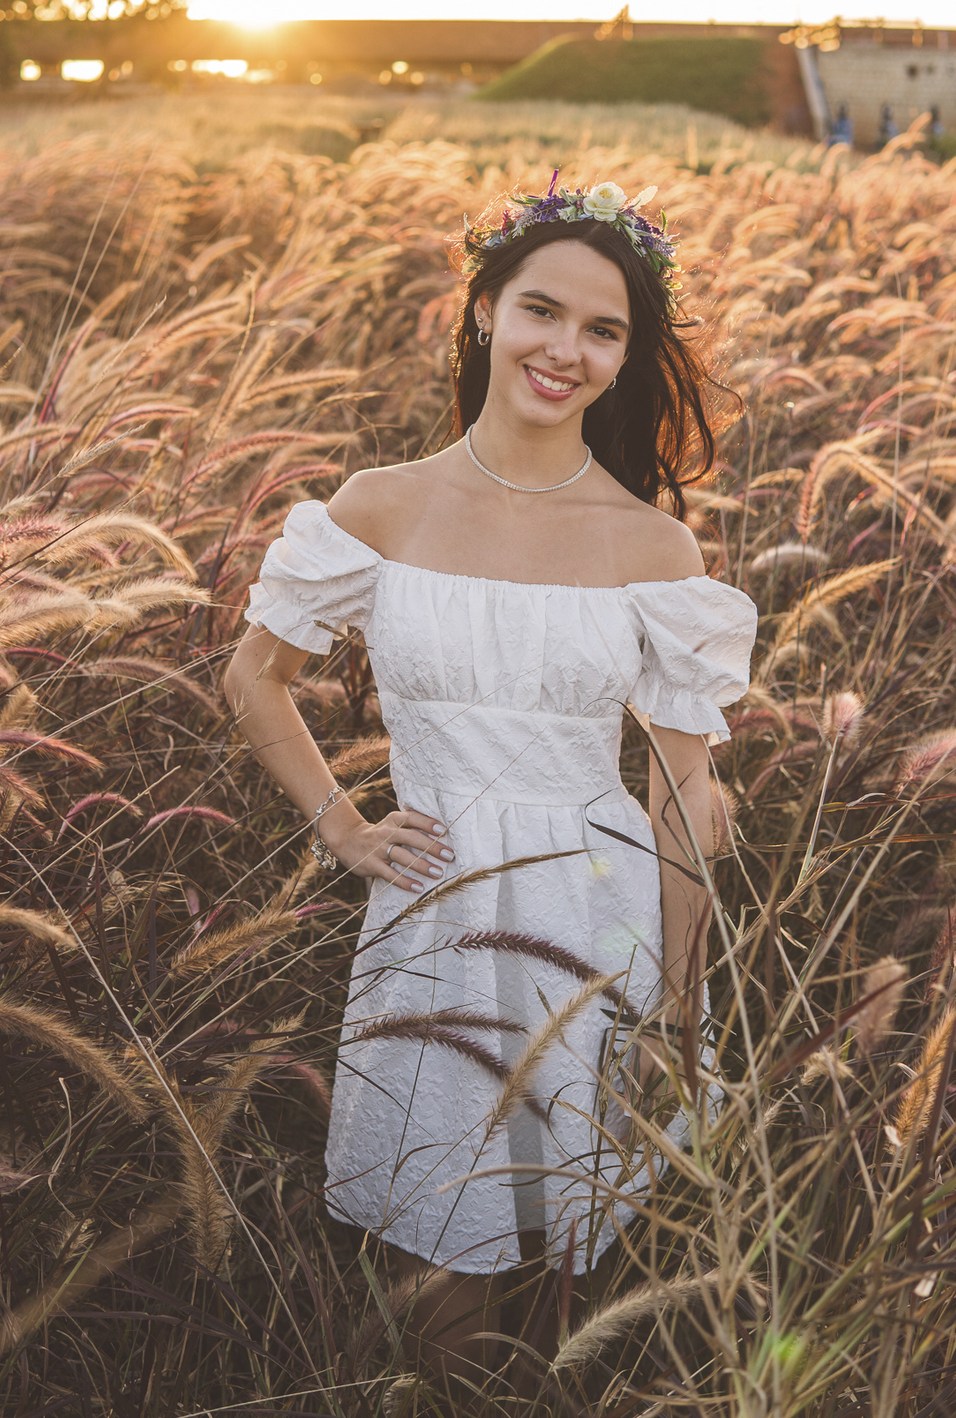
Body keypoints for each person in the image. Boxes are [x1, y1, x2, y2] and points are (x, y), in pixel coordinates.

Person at [224, 177, 757, 1397]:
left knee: (580, 1234)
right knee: (440, 1235)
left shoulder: (651, 548)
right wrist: (346, 831)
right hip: (439, 908)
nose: (565, 349)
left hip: (599, 913)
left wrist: (675, 1007)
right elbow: (256, 680)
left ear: (629, 357)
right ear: (483, 314)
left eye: (604, 330)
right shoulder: (382, 506)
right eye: (541, 311)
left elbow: (684, 804)